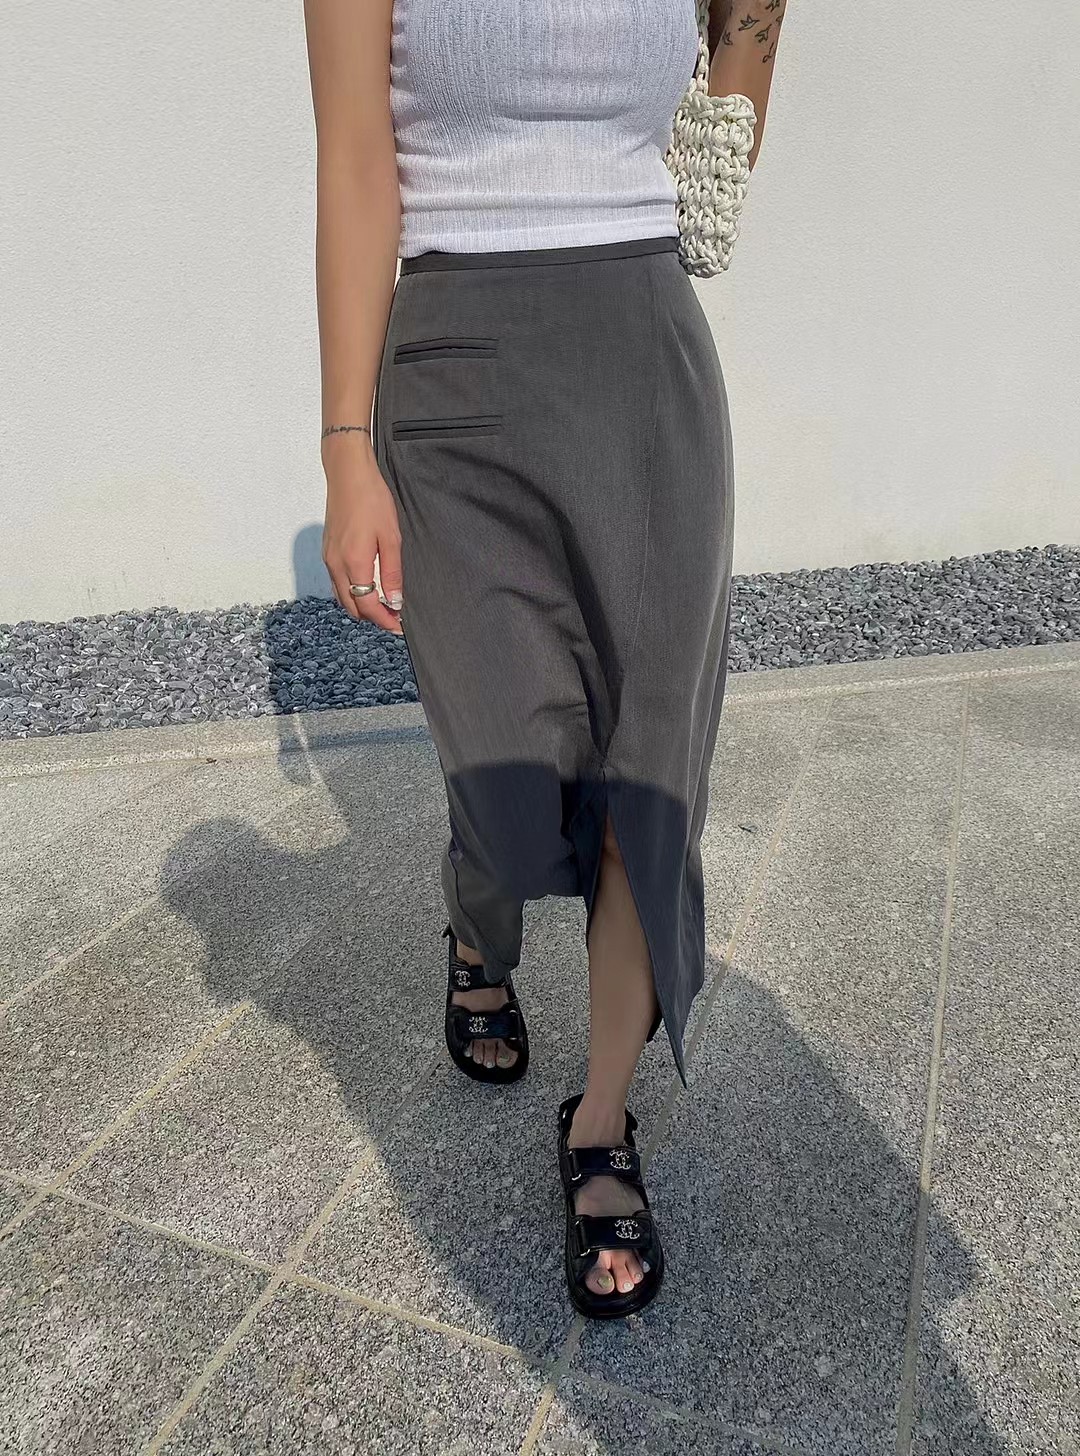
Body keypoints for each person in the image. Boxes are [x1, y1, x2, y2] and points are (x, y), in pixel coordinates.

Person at [302, 0, 783, 1319]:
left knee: (646, 783)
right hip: (456, 367)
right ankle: (480, 929)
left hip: (647, 358)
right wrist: (346, 448)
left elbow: (719, 156)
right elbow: (354, 158)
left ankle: (602, 1122)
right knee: (510, 780)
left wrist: (753, 25)